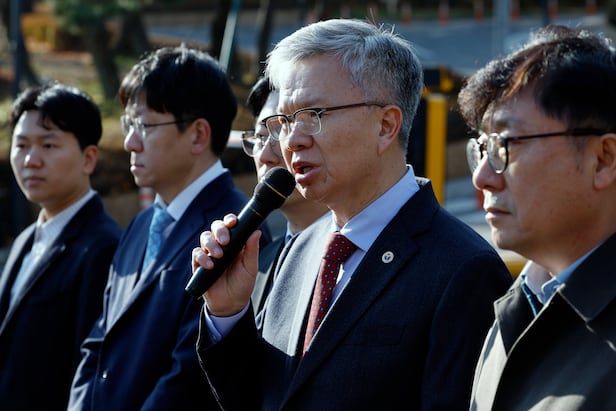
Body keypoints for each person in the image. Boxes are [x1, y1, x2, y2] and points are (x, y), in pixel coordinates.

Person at [193, 19, 512, 410]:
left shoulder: (463, 269)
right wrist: (228, 313)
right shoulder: (300, 248)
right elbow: (260, 398)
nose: (292, 140)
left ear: (386, 126)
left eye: (313, 114)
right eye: (286, 121)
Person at [69, 45, 269, 410]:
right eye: (128, 125)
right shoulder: (141, 224)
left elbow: (191, 374)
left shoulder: (235, 228)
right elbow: (98, 343)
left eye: (143, 126)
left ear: (198, 135)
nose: (129, 142)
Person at [458, 24, 616, 410]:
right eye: (483, 148)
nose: (483, 177)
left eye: (505, 145)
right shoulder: (519, 307)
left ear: (603, 159)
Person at [0, 83, 122, 410]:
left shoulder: (103, 247)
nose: (31, 160)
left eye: (48, 145)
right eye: (21, 145)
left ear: (88, 158)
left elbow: (89, 369)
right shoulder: (26, 239)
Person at [242, 76, 329, 313]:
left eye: (281, 131)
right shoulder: (259, 262)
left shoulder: (346, 255)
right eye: (260, 137)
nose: (265, 156)